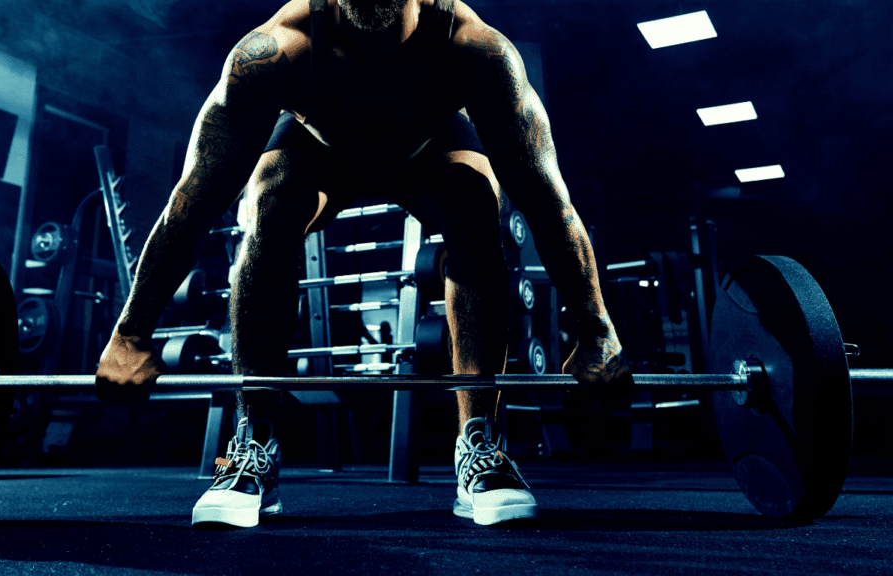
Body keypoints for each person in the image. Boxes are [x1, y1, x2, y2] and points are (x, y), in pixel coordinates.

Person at [95, 0, 633, 528]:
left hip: (427, 148)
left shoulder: (476, 51)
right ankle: (252, 441)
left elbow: (547, 200)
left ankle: (481, 445)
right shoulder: (275, 52)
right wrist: (132, 331)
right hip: (322, 149)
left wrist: (595, 327)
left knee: (477, 197)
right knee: (265, 202)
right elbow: (194, 199)